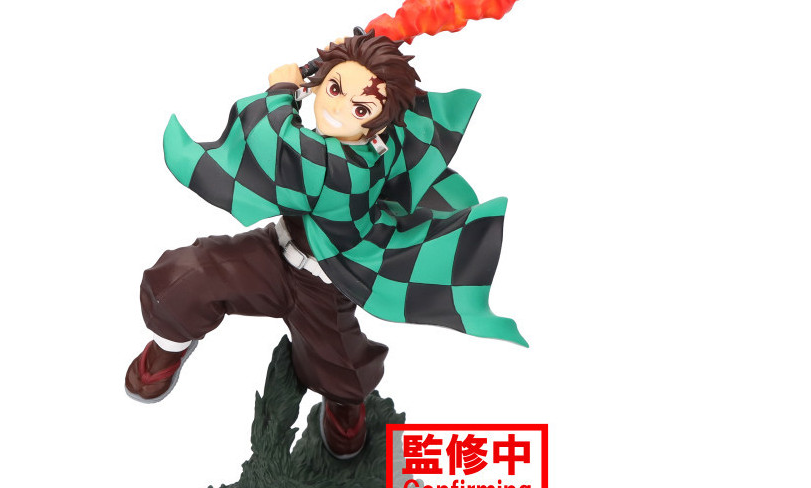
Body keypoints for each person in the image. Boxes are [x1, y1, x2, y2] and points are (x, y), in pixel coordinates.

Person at [124, 29, 526, 458]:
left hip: (326, 284)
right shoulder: (344, 146)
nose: (337, 109)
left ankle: (344, 406)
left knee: (341, 367)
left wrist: (282, 89)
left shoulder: (346, 170)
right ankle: (169, 348)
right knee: (185, 279)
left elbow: (276, 143)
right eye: (334, 89)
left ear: (380, 124)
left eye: (360, 108)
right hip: (273, 253)